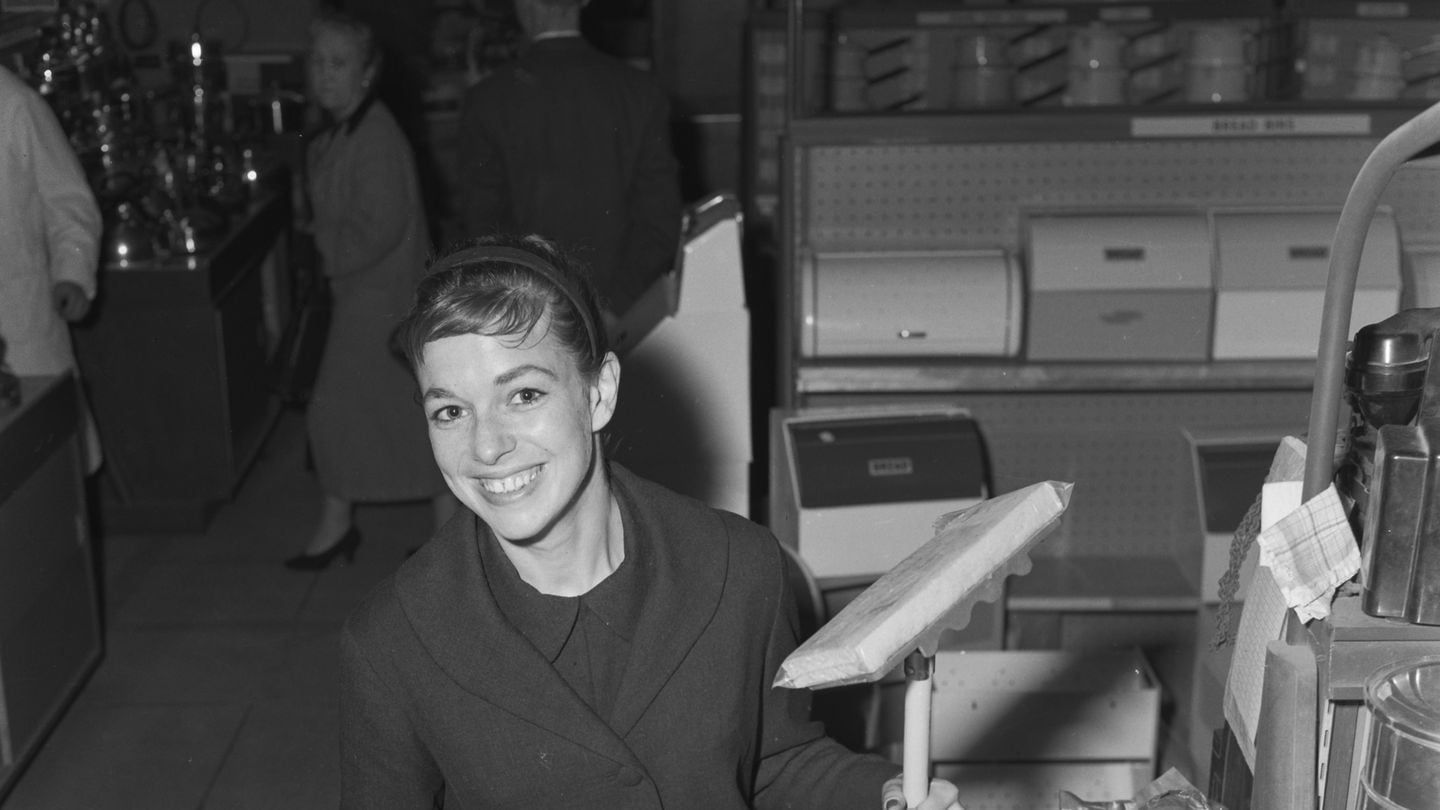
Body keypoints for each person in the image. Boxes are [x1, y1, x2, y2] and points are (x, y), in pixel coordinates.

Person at [339, 234, 964, 809]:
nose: (486, 446)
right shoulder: (394, 640)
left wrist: (885, 795)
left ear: (599, 393)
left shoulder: (739, 568)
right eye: (449, 411)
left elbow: (777, 761)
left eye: (523, 394)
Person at [285, 9, 454, 571]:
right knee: (395, 414)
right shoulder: (342, 130)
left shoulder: (373, 135)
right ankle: (364, 523)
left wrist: (323, 248)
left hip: (382, 299)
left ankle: (351, 524)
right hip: (367, 297)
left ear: (366, 73)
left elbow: (377, 226)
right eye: (318, 61)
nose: (325, 74)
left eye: (339, 63)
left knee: (339, 412)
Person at [457, 0, 683, 323]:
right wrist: (610, 306)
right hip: (621, 317)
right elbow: (661, 225)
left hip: (530, 319)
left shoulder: (487, 101)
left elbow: (483, 230)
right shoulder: (641, 92)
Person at [0, 63, 103, 472]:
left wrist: (72, 272)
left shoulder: (14, 106)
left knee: (46, 465)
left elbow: (68, 202)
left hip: (20, 323)